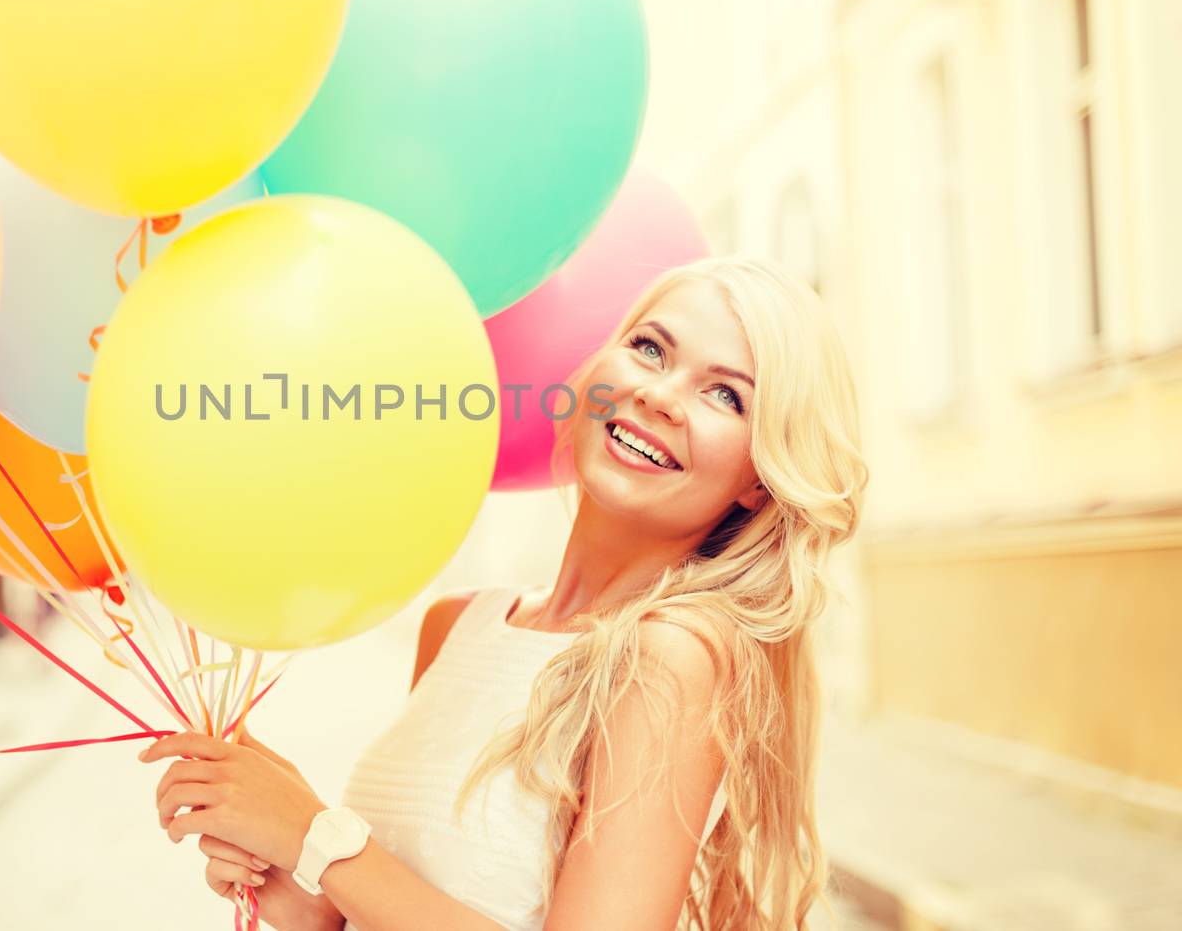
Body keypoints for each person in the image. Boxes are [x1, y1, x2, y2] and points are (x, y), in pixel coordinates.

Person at [139, 256, 870, 930]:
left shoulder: (671, 656)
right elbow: (390, 904)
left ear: (756, 481)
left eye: (724, 394)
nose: (660, 395)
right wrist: (297, 879)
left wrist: (317, 835)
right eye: (649, 348)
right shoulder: (458, 624)